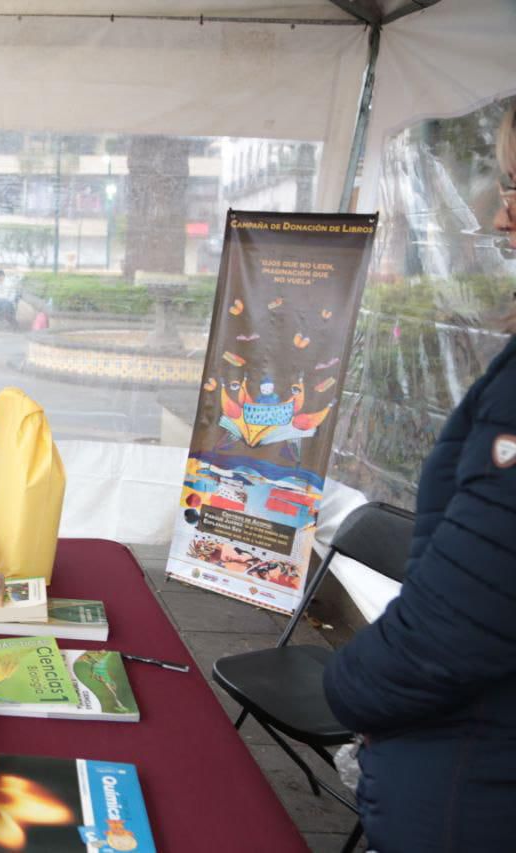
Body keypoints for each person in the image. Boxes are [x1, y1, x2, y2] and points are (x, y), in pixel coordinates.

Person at [323, 104, 516, 853]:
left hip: (469, 794)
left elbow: (456, 629)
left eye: (514, 185)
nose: (500, 219)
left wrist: (345, 688)